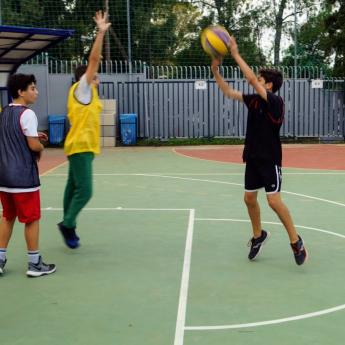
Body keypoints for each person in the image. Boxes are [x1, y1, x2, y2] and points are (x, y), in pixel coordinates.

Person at [211, 36, 308, 265]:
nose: (257, 82)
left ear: (269, 85)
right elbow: (228, 92)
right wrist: (216, 71)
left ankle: (296, 242)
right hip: (253, 157)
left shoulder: (275, 102)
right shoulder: (254, 100)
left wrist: (234, 53)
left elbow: (251, 78)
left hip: (270, 159)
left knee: (274, 202)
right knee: (249, 198)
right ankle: (258, 236)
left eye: (262, 80)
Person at [57, 11, 111, 249]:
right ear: (86, 78)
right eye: (95, 77)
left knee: (72, 187)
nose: (97, 79)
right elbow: (94, 60)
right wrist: (100, 32)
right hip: (80, 145)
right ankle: (68, 224)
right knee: (85, 191)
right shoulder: (83, 88)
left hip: (78, 145)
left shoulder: (85, 94)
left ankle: (68, 222)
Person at [0, 73, 56, 277]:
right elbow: (32, 144)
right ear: (20, 92)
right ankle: (34, 263)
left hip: (4, 177)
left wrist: (33, 136)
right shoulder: (28, 114)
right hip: (23, 178)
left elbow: (12, 135)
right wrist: (40, 145)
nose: (36, 92)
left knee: (7, 216)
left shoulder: (4, 112)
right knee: (31, 219)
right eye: (32, 88)